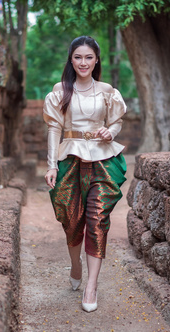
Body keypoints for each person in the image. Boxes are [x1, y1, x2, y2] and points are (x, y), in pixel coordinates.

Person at [43, 36, 127, 313]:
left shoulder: (107, 90)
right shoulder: (60, 91)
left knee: (97, 218)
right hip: (70, 160)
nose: (83, 62)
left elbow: (116, 121)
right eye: (78, 57)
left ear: (96, 60)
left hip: (103, 159)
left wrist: (109, 131)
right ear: (71, 60)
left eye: (88, 57)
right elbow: (54, 128)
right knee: (71, 218)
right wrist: (52, 165)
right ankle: (75, 263)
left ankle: (91, 286)